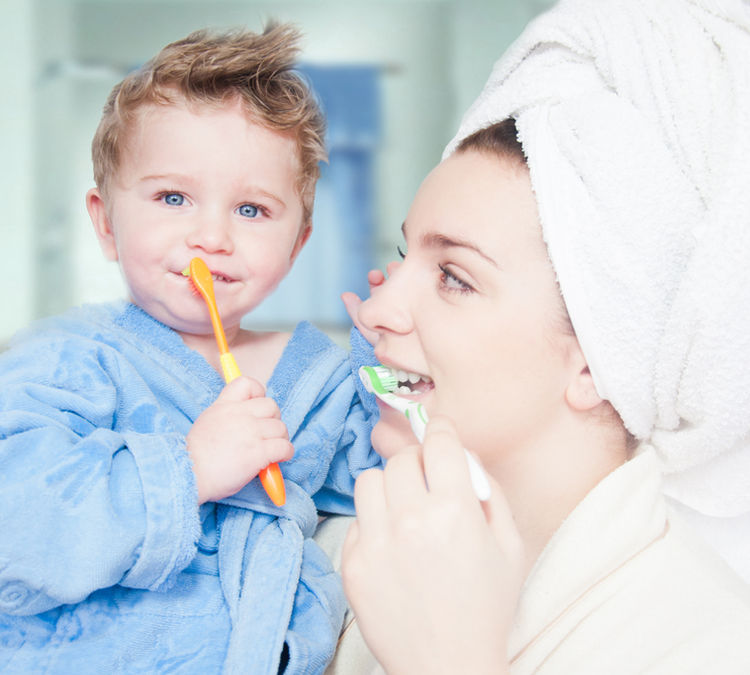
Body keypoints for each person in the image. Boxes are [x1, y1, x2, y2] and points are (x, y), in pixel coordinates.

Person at [338, 0, 750, 672]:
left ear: (595, 358)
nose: (379, 305)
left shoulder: (713, 646)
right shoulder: (346, 553)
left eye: (453, 277)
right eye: (403, 254)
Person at [0, 24, 382, 673]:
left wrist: (398, 364)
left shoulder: (320, 378)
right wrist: (187, 469)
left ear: (298, 241)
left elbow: (391, 467)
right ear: (106, 221)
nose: (211, 235)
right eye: (172, 197)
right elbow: (19, 523)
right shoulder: (67, 359)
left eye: (253, 210)